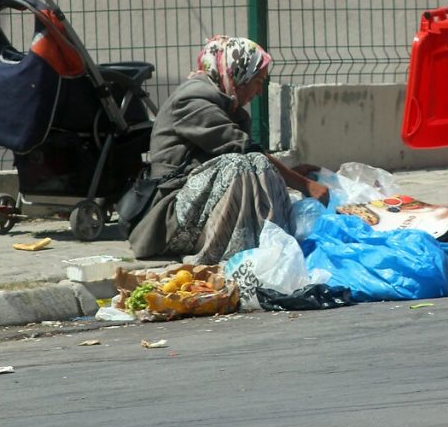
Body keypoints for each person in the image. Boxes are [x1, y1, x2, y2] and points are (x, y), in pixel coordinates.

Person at [128, 35, 329, 262]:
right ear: (240, 76)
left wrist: (289, 173)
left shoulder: (229, 107)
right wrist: (303, 185)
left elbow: (249, 154)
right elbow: (240, 149)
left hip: (200, 210)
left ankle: (277, 251)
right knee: (239, 165)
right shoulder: (191, 100)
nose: (260, 91)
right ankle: (239, 257)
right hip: (172, 218)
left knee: (253, 164)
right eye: (259, 81)